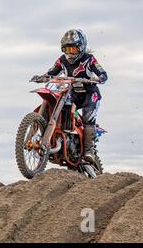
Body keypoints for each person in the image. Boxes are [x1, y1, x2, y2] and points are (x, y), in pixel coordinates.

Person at [37, 29, 108, 163]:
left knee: (88, 116)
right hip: (72, 93)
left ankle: (88, 150)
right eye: (67, 49)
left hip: (89, 93)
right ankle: (58, 134)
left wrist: (100, 78)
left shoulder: (89, 59)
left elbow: (102, 73)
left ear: (81, 48)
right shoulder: (62, 60)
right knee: (58, 103)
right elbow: (52, 72)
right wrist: (43, 77)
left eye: (73, 49)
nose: (70, 52)